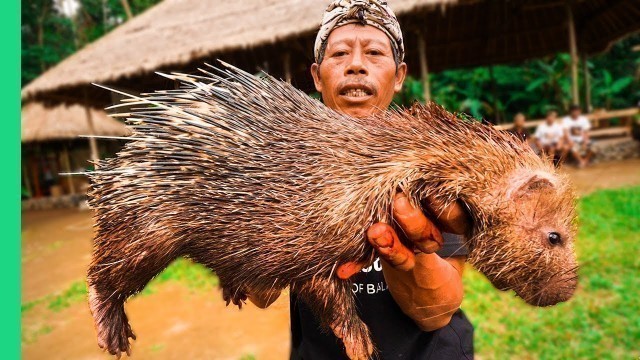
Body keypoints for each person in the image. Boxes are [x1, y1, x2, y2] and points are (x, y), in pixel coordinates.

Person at [248, 1, 474, 359]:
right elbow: (259, 295)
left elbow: (437, 313)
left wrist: (408, 254)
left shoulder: (428, 162)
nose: (356, 64)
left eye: (373, 52)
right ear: (317, 76)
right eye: (339, 53)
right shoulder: (286, 162)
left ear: (399, 76)